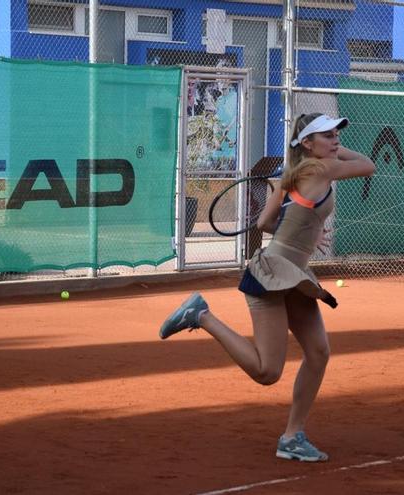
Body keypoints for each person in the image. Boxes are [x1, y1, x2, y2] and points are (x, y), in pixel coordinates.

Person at [159, 113, 376, 462]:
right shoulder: (320, 170)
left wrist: (308, 229)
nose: (335, 140)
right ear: (308, 143)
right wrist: (336, 153)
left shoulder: (294, 176)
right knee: (267, 372)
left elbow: (265, 222)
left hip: (293, 274)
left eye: (337, 134)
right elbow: (367, 165)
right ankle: (201, 315)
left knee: (318, 352)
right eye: (328, 135)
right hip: (271, 276)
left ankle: (293, 437)